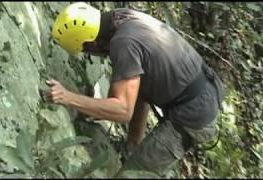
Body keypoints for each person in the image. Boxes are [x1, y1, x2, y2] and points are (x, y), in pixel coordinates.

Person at [46, 2, 224, 176]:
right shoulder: (122, 18)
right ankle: (130, 148)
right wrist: (95, 107)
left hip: (194, 114)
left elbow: (123, 111)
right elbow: (138, 90)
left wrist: (68, 98)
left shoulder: (123, 44)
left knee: (132, 174)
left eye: (85, 51)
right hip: (204, 90)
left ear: (90, 44)